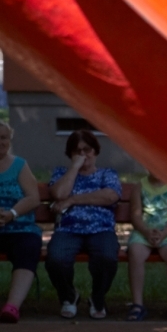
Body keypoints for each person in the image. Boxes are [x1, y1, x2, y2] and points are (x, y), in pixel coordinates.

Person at [45, 129, 121, 320]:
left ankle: (97, 298)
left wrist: (72, 200)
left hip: (101, 229)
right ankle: (69, 297)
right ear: (70, 154)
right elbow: (59, 194)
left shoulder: (107, 174)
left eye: (87, 149)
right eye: (76, 151)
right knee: (56, 259)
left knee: (107, 257)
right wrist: (74, 168)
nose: (82, 154)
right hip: (68, 229)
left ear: (95, 151)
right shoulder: (61, 173)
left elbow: (110, 196)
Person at [126, 173, 167, 321]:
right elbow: (136, 216)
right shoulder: (139, 187)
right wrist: (146, 232)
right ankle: (137, 304)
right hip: (144, 231)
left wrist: (163, 234)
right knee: (135, 252)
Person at [0, 122, 41, 323]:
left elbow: (33, 198)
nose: (0, 142)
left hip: (20, 227)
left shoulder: (20, 165)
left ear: (9, 140)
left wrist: (12, 213)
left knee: (28, 247)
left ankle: (12, 306)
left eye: (3, 138)